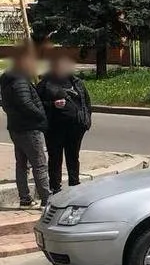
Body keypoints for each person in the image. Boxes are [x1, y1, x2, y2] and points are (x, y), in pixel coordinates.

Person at [1, 49, 50, 207]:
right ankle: (47, 199)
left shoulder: (8, 79)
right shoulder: (20, 80)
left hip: (16, 127)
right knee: (39, 164)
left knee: (21, 164)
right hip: (29, 128)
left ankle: (25, 198)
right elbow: (25, 103)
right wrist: (40, 115)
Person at [38, 53, 92, 193]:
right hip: (54, 128)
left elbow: (86, 102)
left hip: (75, 127)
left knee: (73, 157)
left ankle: (74, 185)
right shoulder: (45, 84)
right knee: (55, 158)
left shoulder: (76, 82)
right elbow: (37, 105)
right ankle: (55, 187)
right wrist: (53, 104)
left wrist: (86, 121)